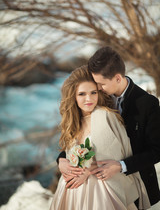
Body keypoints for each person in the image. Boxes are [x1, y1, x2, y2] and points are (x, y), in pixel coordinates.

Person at [50, 65, 150, 210]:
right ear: (73, 96)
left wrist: (87, 172)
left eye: (93, 92)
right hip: (72, 189)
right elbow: (72, 150)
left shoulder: (104, 116)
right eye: (82, 94)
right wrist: (61, 161)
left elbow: (114, 159)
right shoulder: (73, 120)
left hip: (101, 190)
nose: (89, 99)